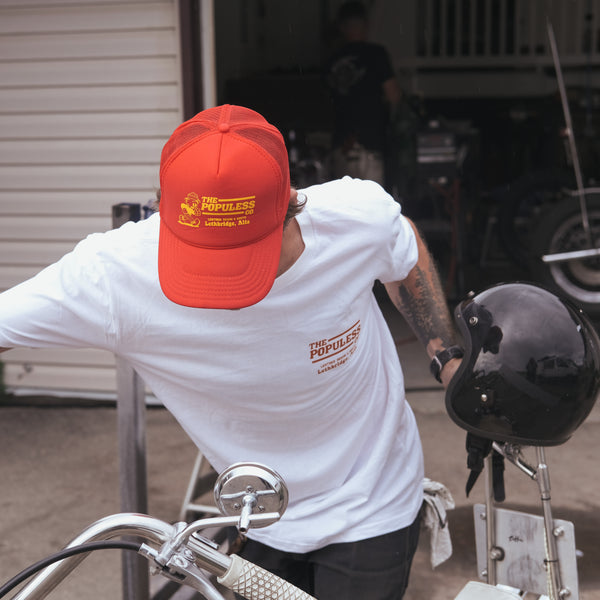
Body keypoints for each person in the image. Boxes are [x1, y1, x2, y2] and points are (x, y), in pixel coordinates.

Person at [0, 104, 462, 600]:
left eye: (241, 258)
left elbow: (403, 248)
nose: (223, 292)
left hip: (372, 498)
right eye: (203, 259)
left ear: (290, 205)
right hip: (254, 509)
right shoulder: (114, 274)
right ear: (162, 207)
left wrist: (446, 356)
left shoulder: (354, 217)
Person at [326, 1, 400, 187]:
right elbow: (394, 95)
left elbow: (327, 101)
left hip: (342, 143)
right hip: (370, 141)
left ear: (342, 27)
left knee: (344, 200)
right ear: (366, 25)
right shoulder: (376, 54)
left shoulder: (332, 59)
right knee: (373, 200)